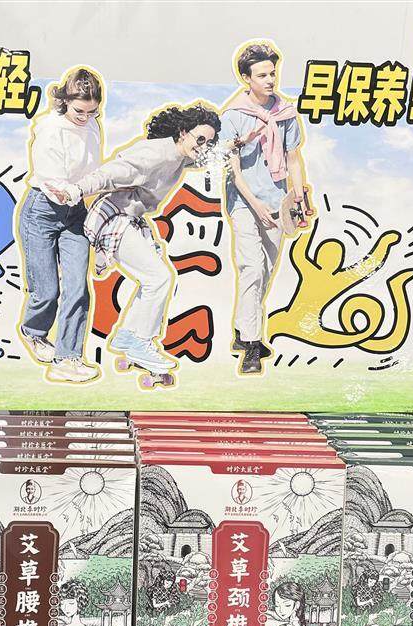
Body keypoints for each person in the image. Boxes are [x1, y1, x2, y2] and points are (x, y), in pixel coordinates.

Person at [47, 103, 220, 379]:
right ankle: (139, 341)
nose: (203, 147)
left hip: (129, 217)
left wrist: (237, 143)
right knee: (159, 278)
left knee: (153, 279)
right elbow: (111, 172)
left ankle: (129, 336)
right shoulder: (154, 154)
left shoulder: (179, 155)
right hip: (112, 216)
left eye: (209, 142)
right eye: (200, 139)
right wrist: (76, 190)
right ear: (183, 132)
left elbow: (205, 158)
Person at [221, 42, 309, 374]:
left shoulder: (285, 113)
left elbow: (292, 158)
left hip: (276, 201)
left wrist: (298, 195)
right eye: (262, 75)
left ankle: (243, 331)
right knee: (252, 268)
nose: (270, 80)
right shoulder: (233, 116)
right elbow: (234, 170)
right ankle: (252, 345)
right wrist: (254, 204)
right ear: (246, 78)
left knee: (266, 272)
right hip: (244, 201)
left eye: (272, 73)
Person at [19, 67, 104, 383]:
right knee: (47, 291)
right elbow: (54, 182)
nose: (85, 117)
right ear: (65, 101)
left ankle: (67, 358)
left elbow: (91, 171)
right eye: (80, 111)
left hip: (75, 213)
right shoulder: (50, 130)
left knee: (77, 287)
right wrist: (81, 188)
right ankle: (34, 331)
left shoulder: (92, 125)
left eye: (92, 111)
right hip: (42, 210)